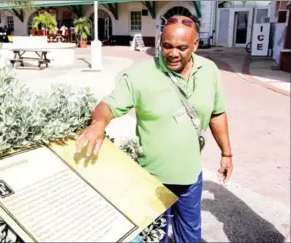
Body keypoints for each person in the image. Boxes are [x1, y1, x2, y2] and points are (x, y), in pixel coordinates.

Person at [76, 13, 233, 243]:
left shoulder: (209, 71)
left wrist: (226, 153)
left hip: (190, 178)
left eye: (182, 47)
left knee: (190, 237)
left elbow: (217, 114)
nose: (173, 53)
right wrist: (98, 122)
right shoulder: (140, 75)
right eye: (167, 46)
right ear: (160, 40)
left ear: (195, 45)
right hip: (151, 180)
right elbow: (108, 105)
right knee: (153, 238)